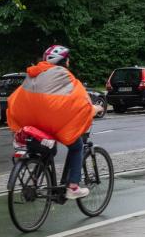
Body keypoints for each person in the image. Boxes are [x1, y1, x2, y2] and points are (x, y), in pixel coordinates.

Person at [5, 44, 96, 199]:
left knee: (49, 149)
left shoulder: (33, 74)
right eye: (68, 60)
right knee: (77, 146)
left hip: (32, 124)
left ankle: (35, 180)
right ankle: (73, 187)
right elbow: (81, 100)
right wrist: (95, 109)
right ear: (64, 61)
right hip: (50, 124)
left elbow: (17, 97)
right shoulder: (64, 75)